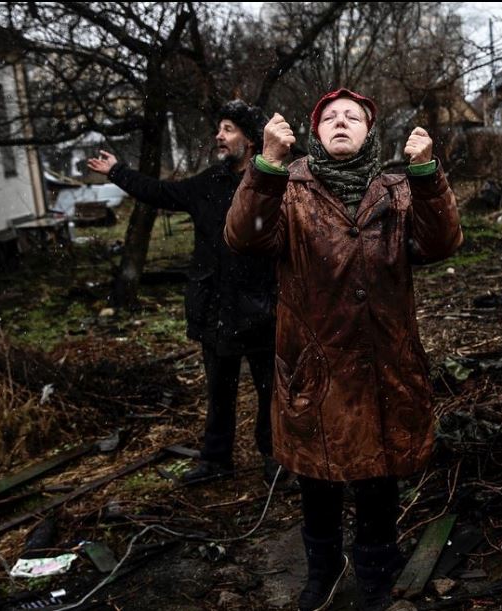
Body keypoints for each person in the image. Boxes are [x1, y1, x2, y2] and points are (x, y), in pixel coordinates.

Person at [225, 89, 462, 611]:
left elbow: (441, 243)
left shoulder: (398, 190)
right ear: (313, 131)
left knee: (379, 480)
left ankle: (376, 573)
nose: (340, 122)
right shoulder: (290, 188)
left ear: (370, 133)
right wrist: (267, 165)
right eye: (329, 116)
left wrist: (427, 175)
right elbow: (244, 237)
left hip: (384, 364)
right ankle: (324, 571)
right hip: (316, 370)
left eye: (353, 117)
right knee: (318, 482)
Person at [87, 100, 286, 486]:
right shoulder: (208, 183)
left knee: (271, 392)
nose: (218, 136)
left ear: (250, 139)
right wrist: (117, 171)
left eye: (228, 129)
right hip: (217, 307)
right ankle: (216, 461)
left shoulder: (271, 182)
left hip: (263, 305)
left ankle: (274, 457)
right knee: (219, 392)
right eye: (219, 129)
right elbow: (162, 192)